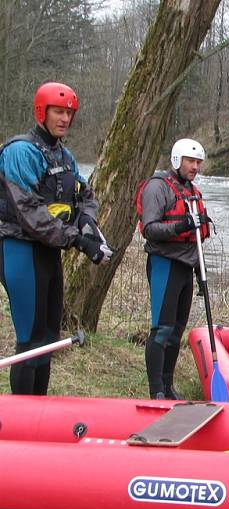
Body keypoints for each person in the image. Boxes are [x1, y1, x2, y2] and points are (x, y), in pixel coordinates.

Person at [0, 81, 112, 395]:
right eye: (58, 112)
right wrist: (76, 239)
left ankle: (40, 412)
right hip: (20, 248)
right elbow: (30, 212)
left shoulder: (64, 155)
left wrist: (87, 222)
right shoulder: (20, 152)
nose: (64, 119)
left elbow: (85, 195)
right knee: (30, 338)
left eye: (69, 113)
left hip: (49, 252)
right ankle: (21, 420)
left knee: (48, 338)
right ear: (42, 112)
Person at [136, 138, 211, 400]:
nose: (195, 167)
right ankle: (156, 390)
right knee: (162, 328)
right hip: (164, 263)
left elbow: (198, 240)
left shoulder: (192, 191)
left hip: (186, 267)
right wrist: (180, 226)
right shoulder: (157, 188)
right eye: (191, 161)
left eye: (198, 162)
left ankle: (168, 386)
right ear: (178, 160)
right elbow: (150, 228)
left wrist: (201, 276)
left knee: (177, 330)